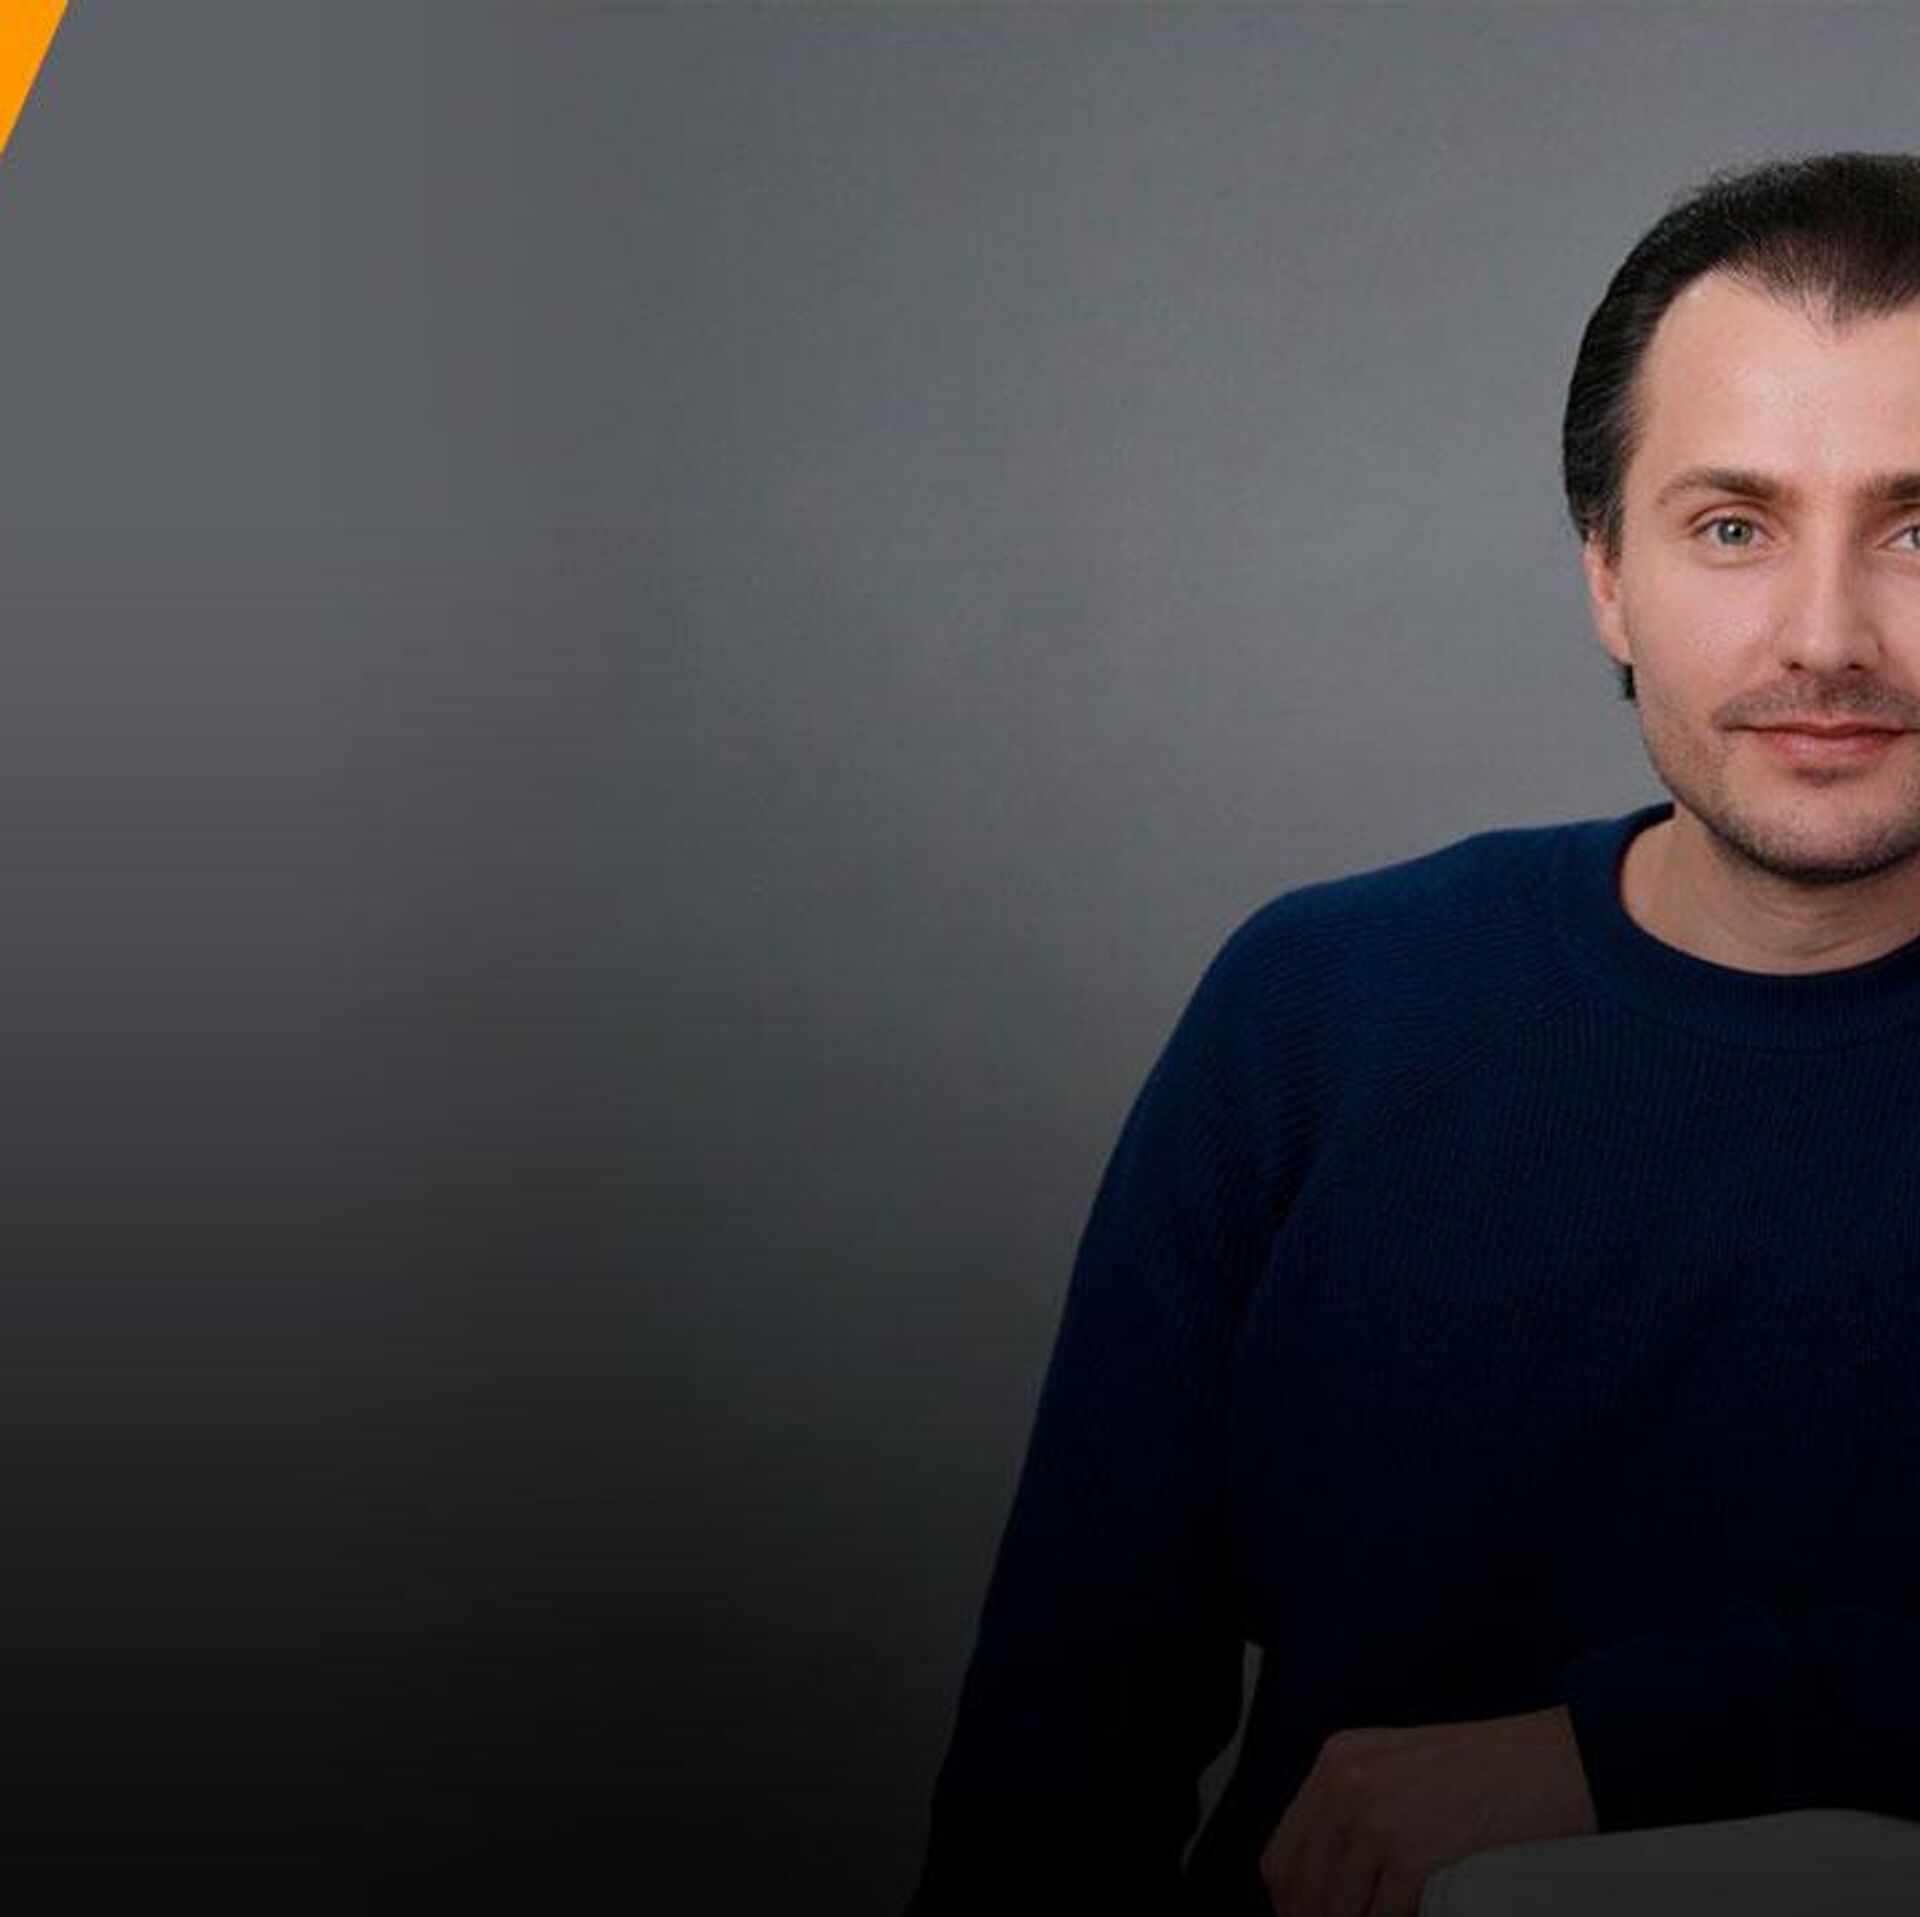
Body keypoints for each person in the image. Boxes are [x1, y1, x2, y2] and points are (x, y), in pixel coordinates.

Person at [906, 151, 1920, 1917]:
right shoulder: (1321, 1009)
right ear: (1607, 578)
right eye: (1732, 526)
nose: (1826, 636)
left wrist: (1609, 1751)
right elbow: (1059, 1750)